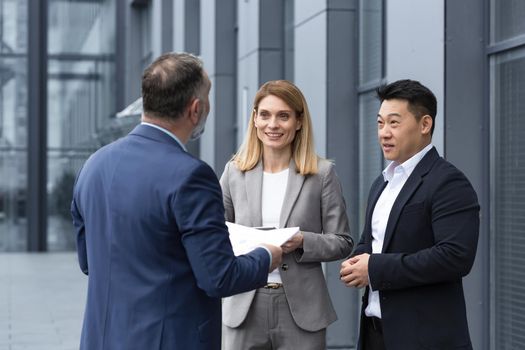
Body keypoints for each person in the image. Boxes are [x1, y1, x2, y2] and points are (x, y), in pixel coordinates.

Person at [70, 52, 282, 350]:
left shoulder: (93, 165)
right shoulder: (191, 176)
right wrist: (267, 255)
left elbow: (88, 261)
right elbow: (219, 278)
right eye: (207, 98)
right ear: (195, 109)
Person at [339, 79, 480, 350]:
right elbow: (375, 242)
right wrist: (357, 260)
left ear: (425, 124)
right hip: (373, 334)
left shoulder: (448, 182)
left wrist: (375, 268)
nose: (383, 133)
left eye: (394, 123)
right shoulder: (382, 183)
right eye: (380, 123)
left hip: (424, 339)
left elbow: (455, 257)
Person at [221, 80, 353, 349]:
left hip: (302, 309)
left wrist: (303, 241)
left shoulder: (322, 174)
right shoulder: (234, 173)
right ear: (255, 119)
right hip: (244, 303)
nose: (273, 125)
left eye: (283, 116)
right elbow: (215, 233)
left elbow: (343, 240)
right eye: (265, 115)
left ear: (299, 122)